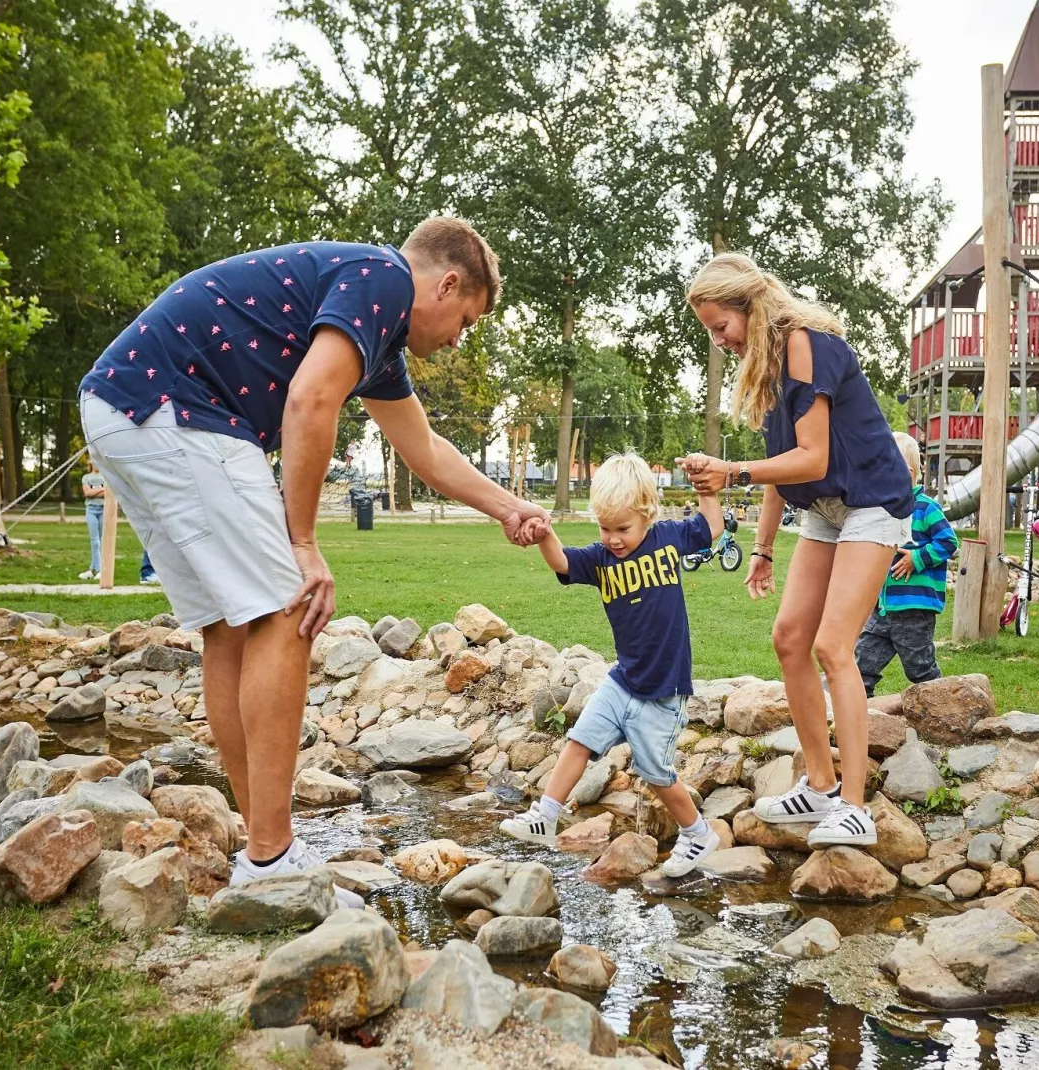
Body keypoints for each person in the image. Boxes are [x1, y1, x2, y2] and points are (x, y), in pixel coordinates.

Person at [78, 217, 550, 896]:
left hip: (126, 408)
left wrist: (510, 506)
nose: (457, 340)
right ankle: (271, 857)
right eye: (466, 320)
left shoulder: (376, 341)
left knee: (230, 625)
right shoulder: (382, 279)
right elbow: (310, 399)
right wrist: (302, 543)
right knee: (289, 607)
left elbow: (425, 451)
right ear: (446, 283)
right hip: (178, 407)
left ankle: (259, 839)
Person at [680, 253, 913, 849]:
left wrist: (731, 472)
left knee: (834, 646)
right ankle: (819, 784)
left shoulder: (806, 344)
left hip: (871, 500)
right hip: (827, 510)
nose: (719, 340)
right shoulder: (766, 369)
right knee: (789, 638)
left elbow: (813, 457)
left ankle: (855, 806)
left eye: (720, 326)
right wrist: (761, 550)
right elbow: (785, 470)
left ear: (749, 309)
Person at [499, 453, 723, 877]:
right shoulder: (601, 558)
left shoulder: (668, 538)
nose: (614, 538)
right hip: (622, 681)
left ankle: (697, 833)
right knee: (579, 741)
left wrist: (706, 491)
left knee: (657, 773)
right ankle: (545, 813)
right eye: (605, 528)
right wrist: (545, 533)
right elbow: (563, 562)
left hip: (664, 690)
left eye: (623, 528)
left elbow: (711, 529)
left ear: (647, 516)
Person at [854, 432, 958, 698]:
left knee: (920, 670)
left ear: (907, 472)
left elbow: (948, 542)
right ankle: (861, 713)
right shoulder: (883, 510)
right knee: (861, 664)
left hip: (914, 611)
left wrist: (917, 558)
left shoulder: (925, 508)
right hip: (883, 609)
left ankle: (943, 707)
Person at [80, 462, 106, 580]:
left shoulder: (105, 476)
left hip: (103, 510)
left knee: (102, 541)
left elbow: (108, 493)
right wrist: (102, 489)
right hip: (91, 510)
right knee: (95, 541)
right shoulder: (86, 478)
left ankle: (95, 569)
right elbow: (87, 493)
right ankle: (97, 569)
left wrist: (95, 492)